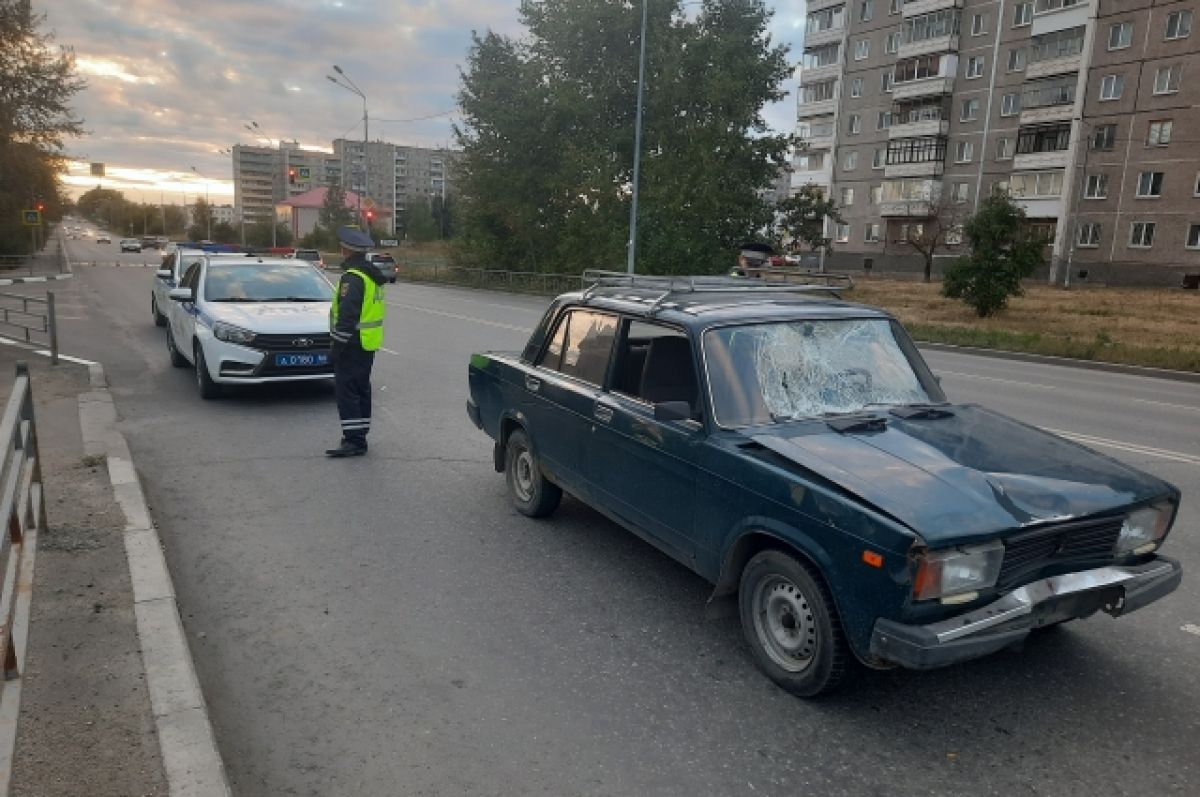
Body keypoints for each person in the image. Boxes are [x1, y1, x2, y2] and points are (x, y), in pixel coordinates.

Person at [326, 226, 388, 457]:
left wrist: (336, 347)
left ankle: (354, 441)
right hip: (367, 343)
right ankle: (360, 433)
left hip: (351, 344)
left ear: (345, 250)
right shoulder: (372, 275)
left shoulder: (352, 278)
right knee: (361, 389)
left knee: (347, 391)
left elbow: (347, 316)